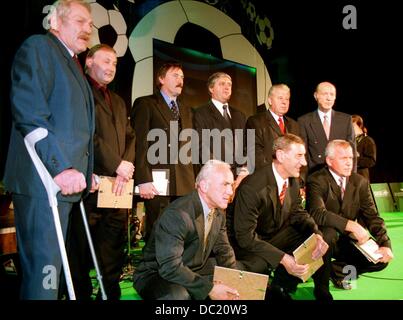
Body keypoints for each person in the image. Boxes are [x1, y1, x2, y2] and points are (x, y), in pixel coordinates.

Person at [2, 0, 94, 299]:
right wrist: (62, 167)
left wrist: (85, 169)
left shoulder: (72, 63)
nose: (87, 29)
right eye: (80, 21)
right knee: (45, 275)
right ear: (56, 22)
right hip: (44, 181)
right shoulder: (40, 48)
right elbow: (29, 113)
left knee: (52, 274)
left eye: (90, 25)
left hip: (62, 186)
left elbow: (73, 127)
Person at [67, 44, 136, 300]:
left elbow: (132, 137)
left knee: (112, 254)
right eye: (106, 61)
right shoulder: (79, 92)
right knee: (81, 255)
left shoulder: (118, 101)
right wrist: (115, 164)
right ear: (88, 62)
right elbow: (85, 135)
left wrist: (124, 169)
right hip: (88, 188)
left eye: (115, 63)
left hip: (116, 189)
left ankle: (109, 296)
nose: (111, 68)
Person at [227, 134, 330, 301]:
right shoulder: (252, 187)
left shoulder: (293, 181)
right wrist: (283, 259)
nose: (304, 162)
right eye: (299, 156)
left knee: (316, 240)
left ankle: (283, 286)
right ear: (281, 156)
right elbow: (245, 238)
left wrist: (316, 234)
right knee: (259, 264)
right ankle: (269, 288)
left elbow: (298, 213)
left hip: (272, 235)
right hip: (248, 244)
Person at [133, 160, 241, 300]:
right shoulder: (177, 214)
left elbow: (224, 250)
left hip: (190, 266)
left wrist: (236, 281)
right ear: (204, 186)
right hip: (156, 273)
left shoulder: (218, 212)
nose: (230, 191)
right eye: (225, 184)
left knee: (240, 271)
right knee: (178, 296)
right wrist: (209, 288)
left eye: (231, 185)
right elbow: (169, 267)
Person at [306, 140, 393, 291]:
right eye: (343, 158)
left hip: (346, 239)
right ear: (329, 161)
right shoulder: (316, 179)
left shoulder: (360, 182)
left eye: (351, 158)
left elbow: (372, 217)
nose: (349, 163)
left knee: (380, 260)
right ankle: (321, 286)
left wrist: (385, 244)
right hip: (321, 238)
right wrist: (351, 224)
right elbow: (317, 213)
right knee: (329, 233)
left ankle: (334, 270)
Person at [130, 62, 195, 241]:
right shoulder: (146, 104)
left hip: (184, 183)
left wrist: (196, 180)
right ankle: (153, 269)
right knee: (158, 232)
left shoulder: (187, 110)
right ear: (161, 79)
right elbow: (139, 143)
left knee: (181, 232)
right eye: (175, 75)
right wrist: (143, 179)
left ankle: (174, 268)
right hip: (157, 182)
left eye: (182, 77)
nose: (180, 80)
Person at [193, 72, 248, 189]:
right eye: (222, 84)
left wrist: (241, 175)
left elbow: (245, 147)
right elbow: (201, 146)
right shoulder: (200, 113)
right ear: (211, 88)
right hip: (214, 178)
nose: (227, 87)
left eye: (229, 84)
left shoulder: (240, 115)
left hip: (239, 180)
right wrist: (222, 173)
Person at [298, 81, 356, 176]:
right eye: (325, 94)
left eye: (332, 94)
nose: (329, 98)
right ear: (316, 95)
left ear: (335, 97)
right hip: (315, 176)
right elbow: (303, 153)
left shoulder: (345, 120)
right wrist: (303, 181)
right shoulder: (304, 121)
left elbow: (352, 150)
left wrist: (352, 176)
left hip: (340, 175)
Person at [245, 83, 300, 170]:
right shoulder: (255, 122)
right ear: (270, 100)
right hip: (268, 176)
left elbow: (299, 153)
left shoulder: (294, 124)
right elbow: (254, 154)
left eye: (287, 99)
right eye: (280, 98)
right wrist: (276, 173)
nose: (284, 102)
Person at [352, 114, 376, 182]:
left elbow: (371, 161)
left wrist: (355, 158)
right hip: (350, 178)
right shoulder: (350, 141)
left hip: (361, 178)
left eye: (352, 126)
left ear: (359, 125)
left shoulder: (367, 140)